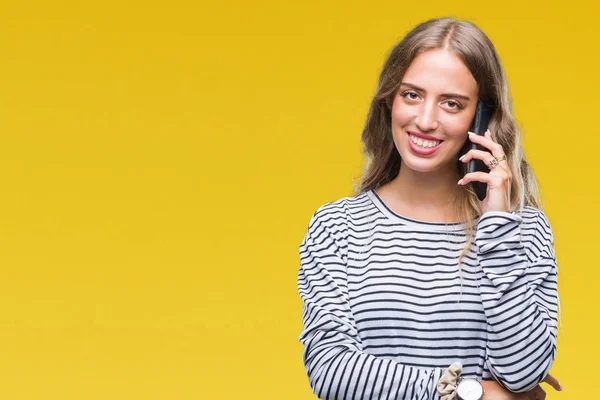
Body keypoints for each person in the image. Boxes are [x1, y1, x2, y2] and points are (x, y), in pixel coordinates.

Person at [297, 17, 562, 400]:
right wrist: (474, 392)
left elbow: (523, 372)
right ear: (389, 99)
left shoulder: (520, 229)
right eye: (412, 95)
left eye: (452, 104)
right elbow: (333, 373)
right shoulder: (338, 227)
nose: (425, 121)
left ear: (482, 117)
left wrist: (497, 224)